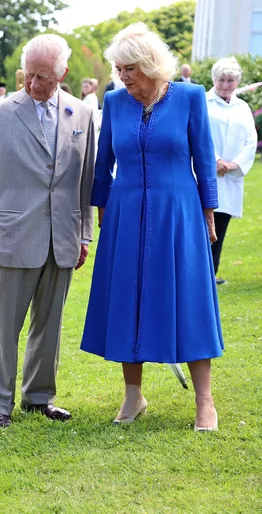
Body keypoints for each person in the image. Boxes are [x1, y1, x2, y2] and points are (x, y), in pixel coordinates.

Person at [80, 23, 223, 432]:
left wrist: (208, 213)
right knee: (128, 300)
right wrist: (103, 214)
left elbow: (204, 157)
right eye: (118, 69)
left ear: (150, 64)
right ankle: (133, 395)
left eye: (130, 68)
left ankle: (204, 402)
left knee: (189, 299)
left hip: (178, 212)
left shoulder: (190, 97)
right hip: (126, 214)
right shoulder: (115, 102)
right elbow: (103, 164)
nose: (123, 77)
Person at [0, 34, 96, 428]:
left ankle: (39, 397)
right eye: (29, 75)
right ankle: (0, 406)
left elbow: (85, 181)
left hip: (62, 237)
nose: (33, 85)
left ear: (62, 73)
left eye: (43, 77)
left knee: (50, 325)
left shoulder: (81, 114)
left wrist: (83, 234)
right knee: (5, 328)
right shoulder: (0, 114)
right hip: (12, 235)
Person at [206, 57, 257, 285]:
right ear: (214, 79)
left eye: (231, 80)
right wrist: (215, 161)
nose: (226, 85)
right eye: (222, 80)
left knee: (221, 225)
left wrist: (234, 164)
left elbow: (250, 139)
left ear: (238, 81)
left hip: (231, 176)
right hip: (208, 173)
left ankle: (212, 272)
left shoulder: (242, 107)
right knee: (204, 225)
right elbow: (199, 136)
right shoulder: (203, 104)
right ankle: (199, 272)